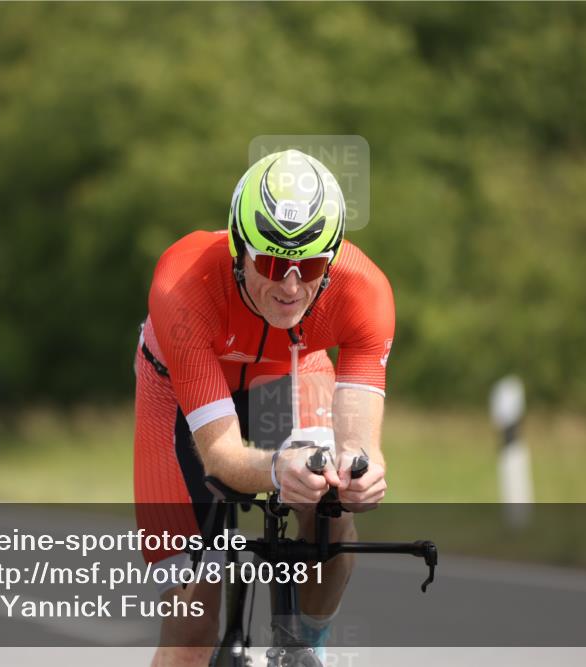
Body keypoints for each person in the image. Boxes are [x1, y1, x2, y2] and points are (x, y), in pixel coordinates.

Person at [134, 149, 394, 666]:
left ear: (333, 257)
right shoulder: (183, 285)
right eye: (273, 263)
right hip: (178, 389)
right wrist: (278, 468)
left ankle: (302, 652)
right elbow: (222, 455)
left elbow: (361, 445)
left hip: (291, 374)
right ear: (239, 247)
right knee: (192, 622)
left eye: (312, 264)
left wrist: (362, 472)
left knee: (330, 507)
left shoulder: (364, 292)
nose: (291, 286)